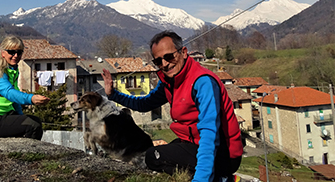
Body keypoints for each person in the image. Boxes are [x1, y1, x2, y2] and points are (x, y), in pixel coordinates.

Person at [102, 31, 243, 182]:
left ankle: (222, 178)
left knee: (153, 156)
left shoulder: (202, 82)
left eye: (169, 57)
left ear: (183, 52)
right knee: (161, 153)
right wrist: (114, 94)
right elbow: (144, 104)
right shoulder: (170, 82)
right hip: (192, 143)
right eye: (158, 61)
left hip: (224, 153)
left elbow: (209, 135)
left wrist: (201, 179)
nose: (164, 64)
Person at [0, 35, 50, 139]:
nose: (15, 56)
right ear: (3, 53)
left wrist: (21, 116)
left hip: (2, 116)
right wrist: (31, 99)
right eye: (11, 52)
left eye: (19, 52)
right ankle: (29, 153)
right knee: (33, 125)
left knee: (33, 122)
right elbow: (9, 93)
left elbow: (14, 99)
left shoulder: (11, 70)